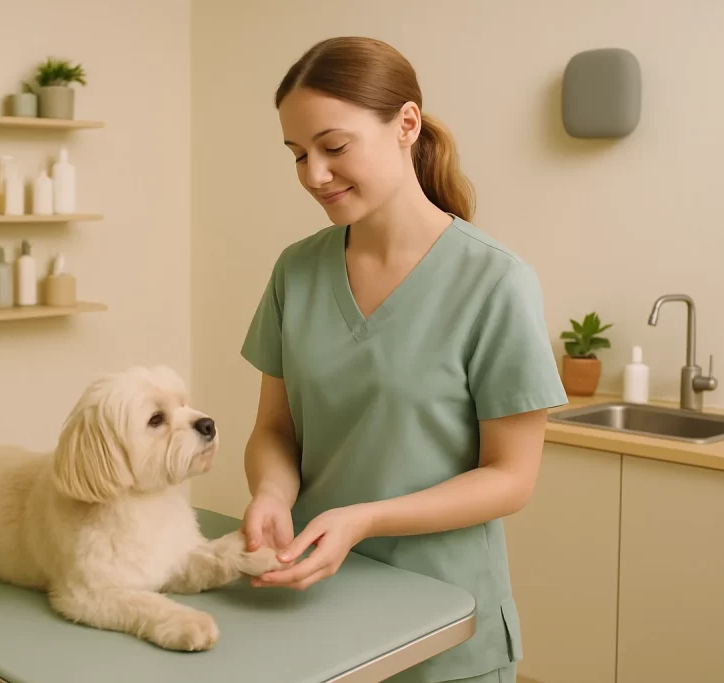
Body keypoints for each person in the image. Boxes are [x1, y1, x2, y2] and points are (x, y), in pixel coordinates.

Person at [238, 36, 568, 683]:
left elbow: (511, 476)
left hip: (446, 629)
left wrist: (365, 519)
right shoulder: (297, 271)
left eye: (333, 147)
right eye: (298, 154)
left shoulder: (494, 281)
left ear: (406, 125)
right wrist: (273, 491)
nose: (313, 174)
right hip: (316, 613)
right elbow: (275, 428)